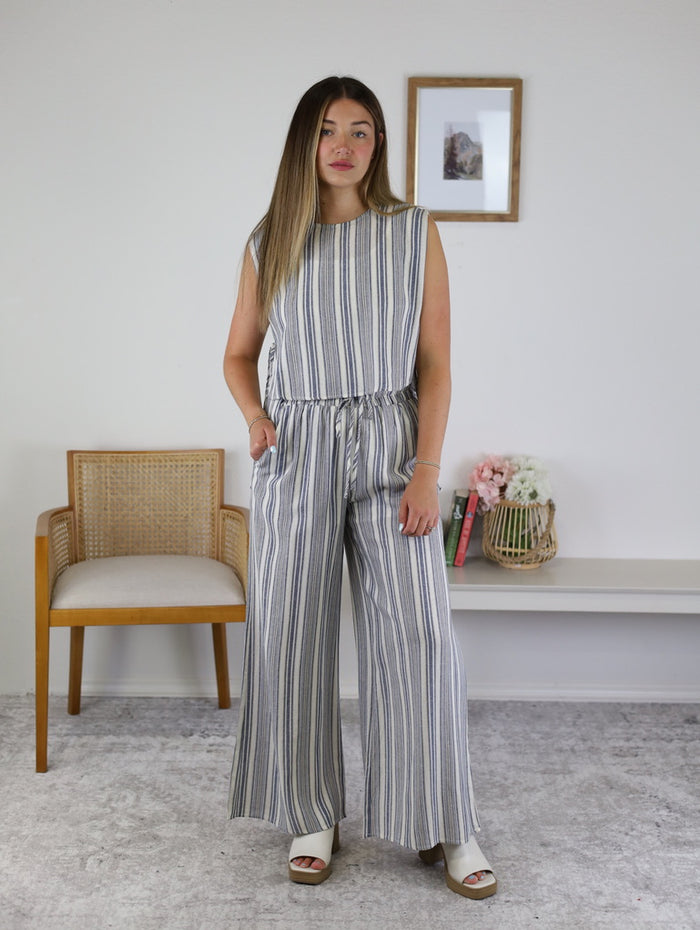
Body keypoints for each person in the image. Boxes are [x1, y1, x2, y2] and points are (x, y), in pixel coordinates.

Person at [223, 75, 496, 899]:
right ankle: (311, 813)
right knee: (291, 636)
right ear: (304, 143)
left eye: (361, 130)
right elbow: (237, 355)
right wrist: (256, 416)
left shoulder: (413, 230)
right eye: (327, 129)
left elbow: (436, 363)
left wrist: (427, 471)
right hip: (296, 452)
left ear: (378, 144)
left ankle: (445, 820)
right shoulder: (270, 241)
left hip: (391, 451)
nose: (343, 145)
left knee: (420, 637)